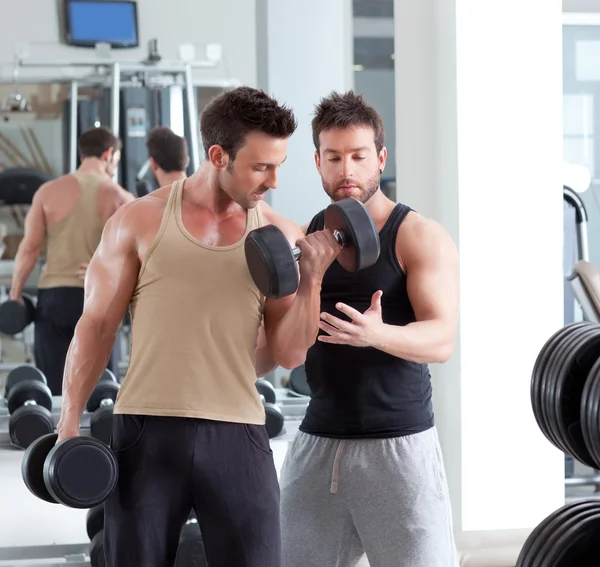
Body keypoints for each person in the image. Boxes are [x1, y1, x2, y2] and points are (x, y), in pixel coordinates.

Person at [55, 86, 343, 567]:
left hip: (238, 435)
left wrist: (312, 278)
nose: (273, 180)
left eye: (279, 166)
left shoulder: (279, 236)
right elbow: (97, 326)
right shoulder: (138, 221)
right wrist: (68, 424)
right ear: (217, 155)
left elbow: (290, 354)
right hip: (146, 431)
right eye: (260, 166)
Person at [278, 91, 460, 567]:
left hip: (398, 448)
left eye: (358, 156)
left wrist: (378, 335)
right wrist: (311, 277)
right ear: (317, 162)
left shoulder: (416, 235)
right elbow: (288, 352)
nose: (346, 171)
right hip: (318, 444)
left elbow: (442, 339)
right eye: (334, 157)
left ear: (380, 157)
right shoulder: (306, 238)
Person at [9, 126, 133, 394]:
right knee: (101, 391)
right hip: (98, 298)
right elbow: (139, 256)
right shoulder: (122, 198)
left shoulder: (47, 192)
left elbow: (29, 249)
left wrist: (15, 295)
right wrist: (106, 271)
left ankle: (57, 436)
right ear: (109, 154)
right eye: (116, 161)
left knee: (54, 391)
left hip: (54, 299)